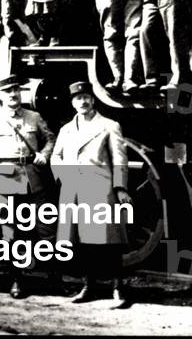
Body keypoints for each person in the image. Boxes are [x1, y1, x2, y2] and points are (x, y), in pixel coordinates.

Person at [51, 81, 131, 308]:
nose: (83, 102)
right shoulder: (66, 129)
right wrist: (64, 176)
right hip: (73, 189)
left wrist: (120, 187)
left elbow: (119, 159)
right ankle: (88, 286)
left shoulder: (109, 126)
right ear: (72, 103)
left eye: (86, 97)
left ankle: (117, 287)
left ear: (93, 100)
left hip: (100, 188)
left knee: (109, 242)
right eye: (78, 98)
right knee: (80, 242)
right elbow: (56, 156)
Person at [0, 74, 56, 298]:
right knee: (11, 231)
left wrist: (44, 155)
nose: (12, 94)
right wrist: (3, 169)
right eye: (7, 91)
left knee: (45, 227)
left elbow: (50, 139)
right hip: (6, 178)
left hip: (33, 177)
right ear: (0, 96)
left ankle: (52, 278)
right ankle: (16, 280)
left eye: (15, 90)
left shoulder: (34, 117)